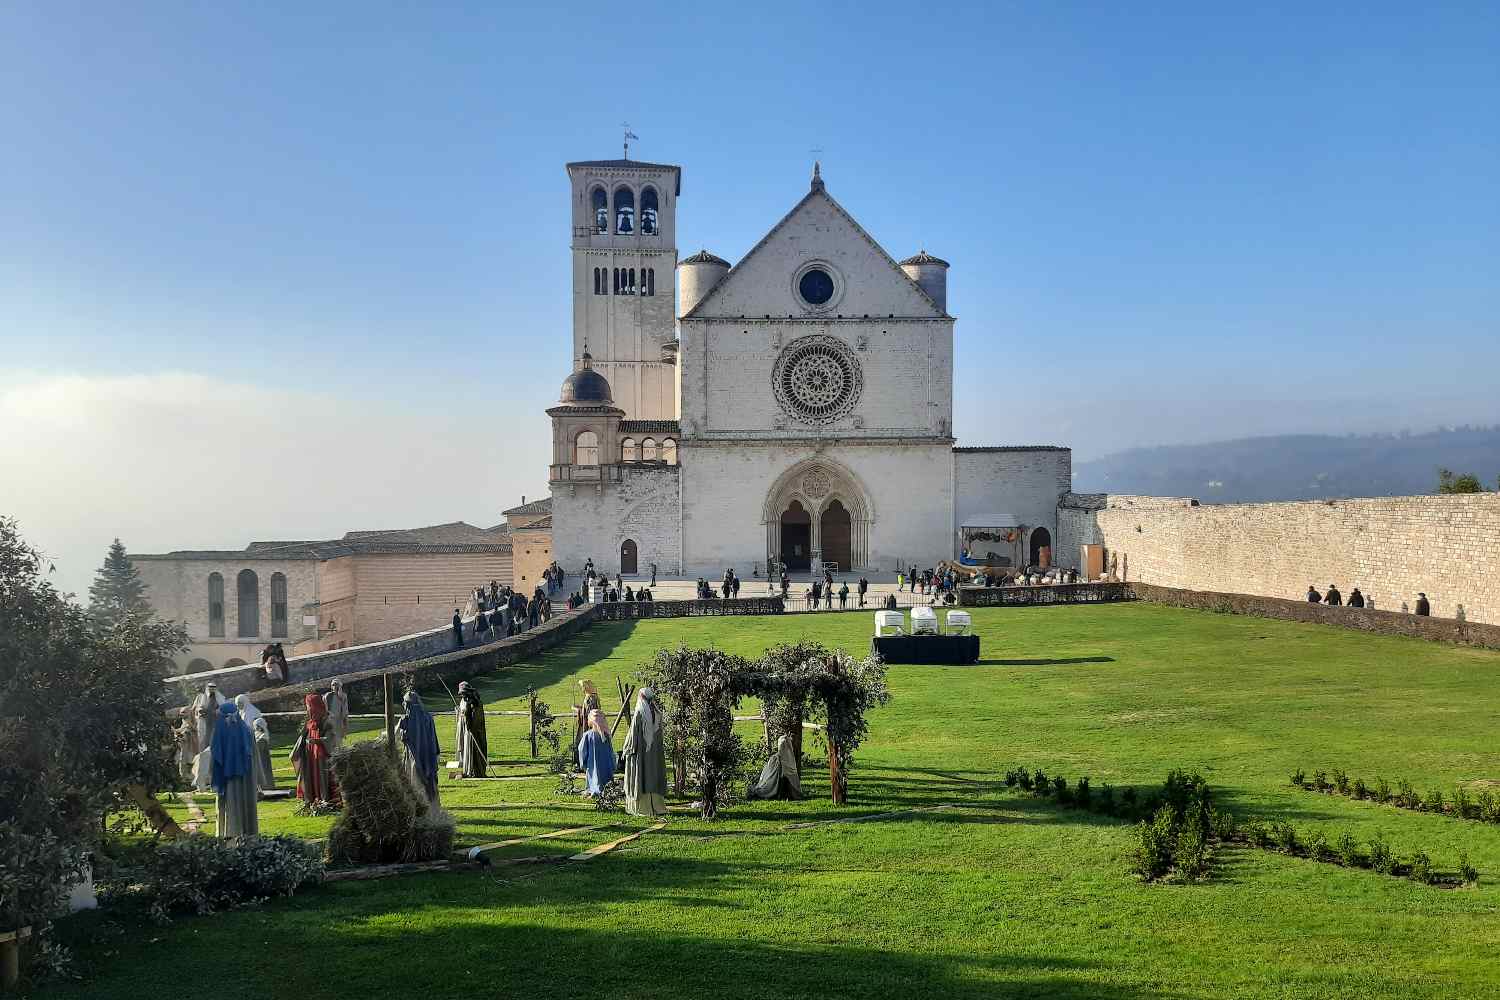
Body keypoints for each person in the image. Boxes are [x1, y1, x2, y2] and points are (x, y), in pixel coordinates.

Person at [211, 702, 258, 839]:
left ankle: (230, 834)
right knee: (245, 803)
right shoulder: (247, 730)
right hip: (247, 777)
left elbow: (215, 754)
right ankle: (249, 834)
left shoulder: (220, 731)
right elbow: (254, 756)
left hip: (227, 777)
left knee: (229, 805)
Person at [621, 686, 668, 817]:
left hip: (640, 753)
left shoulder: (639, 713)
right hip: (654, 753)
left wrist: (626, 750)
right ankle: (657, 806)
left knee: (641, 775)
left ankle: (642, 807)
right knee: (653, 774)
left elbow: (633, 737)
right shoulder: (657, 713)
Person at [291, 693, 340, 806]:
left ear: (315, 707)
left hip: (322, 755)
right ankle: (313, 798)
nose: (307, 709)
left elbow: (331, 738)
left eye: (308, 707)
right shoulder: (310, 722)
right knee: (311, 776)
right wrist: (297, 750)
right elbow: (303, 737)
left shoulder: (327, 720)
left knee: (322, 777)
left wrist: (317, 741)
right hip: (310, 755)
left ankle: (325, 799)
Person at [397, 690, 441, 807]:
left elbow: (395, 736)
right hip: (429, 756)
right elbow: (434, 737)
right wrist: (436, 753)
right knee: (428, 783)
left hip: (413, 758)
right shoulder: (428, 717)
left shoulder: (405, 720)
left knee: (415, 782)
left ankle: (420, 808)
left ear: (407, 704)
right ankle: (431, 807)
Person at [235, 694, 276, 792]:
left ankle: (265, 785)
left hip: (256, 741)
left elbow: (259, 728)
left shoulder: (253, 712)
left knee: (261, 764)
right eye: (237, 704)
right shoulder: (242, 712)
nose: (238, 706)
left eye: (240, 704)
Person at [578, 708, 616, 795]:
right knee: (606, 777)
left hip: (592, 763)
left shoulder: (588, 735)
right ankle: (607, 789)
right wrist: (613, 764)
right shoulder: (606, 736)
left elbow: (582, 750)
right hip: (606, 764)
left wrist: (583, 763)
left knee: (594, 775)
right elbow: (611, 751)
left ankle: (594, 789)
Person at [455, 681, 488, 778]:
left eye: (463, 693)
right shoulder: (464, 700)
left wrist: (469, 721)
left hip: (475, 730)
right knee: (467, 748)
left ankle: (477, 771)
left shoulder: (475, 701)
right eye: (461, 694)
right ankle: (468, 770)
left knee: (475, 749)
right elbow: (464, 713)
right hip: (466, 730)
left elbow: (476, 716)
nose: (462, 696)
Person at [172, 707, 199, 780]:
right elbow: (181, 729)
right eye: (181, 712)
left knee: (190, 759)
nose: (181, 714)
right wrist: (175, 731)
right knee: (183, 758)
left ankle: (189, 774)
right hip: (184, 743)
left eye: (184, 712)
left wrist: (189, 726)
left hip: (191, 745)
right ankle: (183, 775)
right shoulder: (184, 722)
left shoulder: (192, 721)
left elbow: (194, 729)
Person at [324, 678, 350, 751]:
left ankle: (338, 754)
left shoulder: (343, 696)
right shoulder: (327, 695)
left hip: (339, 721)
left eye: (336, 685)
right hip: (330, 721)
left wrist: (345, 724)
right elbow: (325, 709)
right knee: (329, 739)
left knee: (338, 741)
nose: (335, 686)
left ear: (340, 686)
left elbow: (345, 710)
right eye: (333, 685)